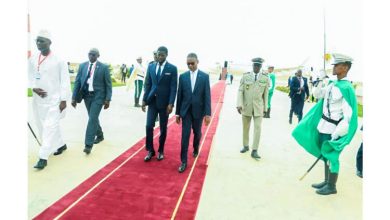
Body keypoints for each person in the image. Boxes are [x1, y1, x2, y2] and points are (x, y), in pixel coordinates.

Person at [292, 53, 358, 195]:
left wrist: (338, 133)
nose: (333, 67)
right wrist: (321, 80)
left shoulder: (346, 88)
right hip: (323, 125)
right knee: (324, 154)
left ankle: (332, 186)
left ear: (345, 67)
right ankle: (327, 180)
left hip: (334, 129)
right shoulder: (333, 84)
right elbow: (317, 95)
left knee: (332, 157)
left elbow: (348, 116)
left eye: (337, 65)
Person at [28, 30, 71, 169]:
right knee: (43, 126)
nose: (38, 43)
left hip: (54, 100)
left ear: (49, 42)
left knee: (49, 127)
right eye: (37, 40)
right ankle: (61, 145)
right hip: (38, 100)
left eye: (42, 41)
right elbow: (29, 76)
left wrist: (63, 99)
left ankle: (43, 157)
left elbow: (65, 81)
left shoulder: (59, 60)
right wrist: (33, 87)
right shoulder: (33, 59)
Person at [72, 48, 112, 155]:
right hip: (86, 96)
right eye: (90, 54)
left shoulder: (104, 67)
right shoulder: (82, 66)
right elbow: (77, 82)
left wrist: (108, 99)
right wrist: (73, 98)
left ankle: (88, 145)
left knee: (92, 118)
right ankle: (100, 135)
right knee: (92, 118)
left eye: (94, 54)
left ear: (98, 55)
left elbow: (108, 84)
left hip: (98, 97)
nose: (91, 56)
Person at [175, 53, 211, 173]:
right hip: (185, 112)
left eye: (192, 63)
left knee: (197, 133)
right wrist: (177, 113)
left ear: (197, 62)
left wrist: (208, 114)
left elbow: (207, 96)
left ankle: (196, 147)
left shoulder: (204, 77)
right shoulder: (183, 76)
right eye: (188, 64)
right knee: (185, 136)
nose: (190, 65)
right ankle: (183, 161)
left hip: (198, 112)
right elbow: (179, 95)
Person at [142, 46, 178, 161]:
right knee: (148, 126)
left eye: (162, 55)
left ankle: (161, 150)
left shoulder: (172, 68)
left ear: (166, 55)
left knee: (163, 128)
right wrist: (144, 99)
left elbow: (173, 87)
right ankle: (150, 150)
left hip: (164, 103)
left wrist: (171, 103)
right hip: (152, 101)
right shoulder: (151, 66)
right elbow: (147, 83)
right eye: (158, 54)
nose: (160, 57)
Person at [236, 57, 269, 160]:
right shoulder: (246, 76)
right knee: (245, 128)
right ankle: (246, 146)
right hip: (246, 106)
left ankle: (255, 150)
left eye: (258, 66)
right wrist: (239, 104)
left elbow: (266, 94)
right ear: (252, 66)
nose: (256, 67)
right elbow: (240, 90)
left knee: (258, 128)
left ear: (261, 66)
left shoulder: (265, 78)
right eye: (255, 65)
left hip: (258, 108)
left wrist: (266, 108)